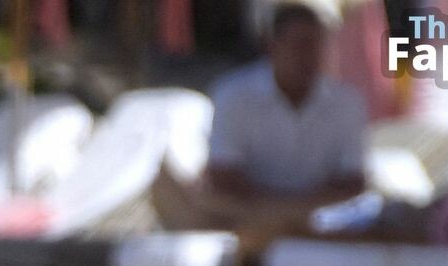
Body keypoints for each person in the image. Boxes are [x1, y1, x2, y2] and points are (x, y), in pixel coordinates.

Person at [154, 0, 369, 237]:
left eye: (316, 45)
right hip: (244, 217)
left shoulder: (348, 102)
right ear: (271, 46)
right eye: (299, 44)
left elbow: (353, 181)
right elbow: (223, 177)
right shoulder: (233, 95)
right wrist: (281, 212)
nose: (308, 55)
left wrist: (298, 212)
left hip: (322, 221)